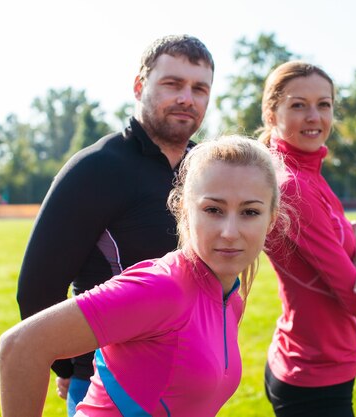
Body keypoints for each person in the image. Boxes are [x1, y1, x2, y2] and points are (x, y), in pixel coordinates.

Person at [0, 135, 283, 417]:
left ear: (270, 219)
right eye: (213, 210)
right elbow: (21, 346)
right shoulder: (162, 287)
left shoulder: (230, 299)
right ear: (184, 211)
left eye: (249, 211)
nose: (230, 232)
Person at [15, 34, 214, 416]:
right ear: (140, 86)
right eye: (173, 84)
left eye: (199, 88)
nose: (187, 98)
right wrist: (70, 364)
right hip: (112, 387)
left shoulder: (207, 171)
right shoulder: (96, 169)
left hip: (194, 382)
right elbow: (37, 289)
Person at [257, 61, 356, 417]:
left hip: (309, 359)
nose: (314, 116)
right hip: (313, 376)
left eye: (324, 104)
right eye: (298, 105)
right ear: (272, 114)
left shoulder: (307, 174)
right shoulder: (294, 186)